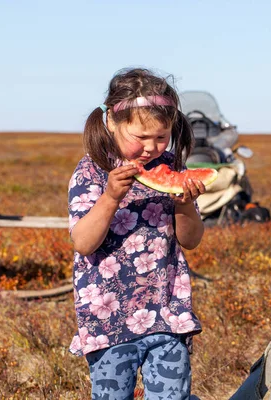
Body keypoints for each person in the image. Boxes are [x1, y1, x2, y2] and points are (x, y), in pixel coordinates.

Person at [68, 68, 206, 400]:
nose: (151, 149)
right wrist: (111, 196)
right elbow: (83, 242)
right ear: (112, 124)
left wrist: (185, 206)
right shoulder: (91, 171)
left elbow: (191, 240)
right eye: (140, 138)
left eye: (161, 137)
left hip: (167, 311)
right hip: (108, 317)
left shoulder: (173, 168)